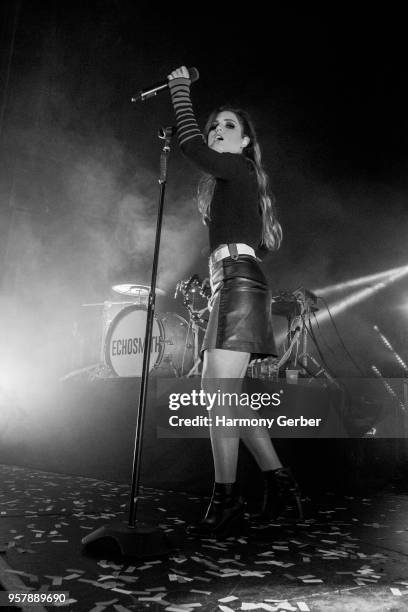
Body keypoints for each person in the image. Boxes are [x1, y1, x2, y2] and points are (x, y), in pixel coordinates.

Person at [167, 66, 302, 537]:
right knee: (222, 396)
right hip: (235, 278)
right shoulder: (237, 182)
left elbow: (189, 145)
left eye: (228, 125)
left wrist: (179, 90)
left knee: (217, 395)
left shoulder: (239, 168)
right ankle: (278, 485)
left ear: (245, 142)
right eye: (214, 125)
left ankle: (228, 500)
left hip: (237, 279)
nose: (216, 130)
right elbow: (255, 245)